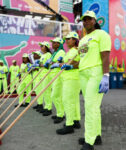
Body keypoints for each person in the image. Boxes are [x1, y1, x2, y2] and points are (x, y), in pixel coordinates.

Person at [78, 11, 111, 150]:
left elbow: (105, 56)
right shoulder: (83, 39)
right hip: (83, 73)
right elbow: (82, 57)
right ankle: (96, 135)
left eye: (88, 19)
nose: (86, 22)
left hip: (95, 73)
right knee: (93, 106)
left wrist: (106, 75)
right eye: (83, 20)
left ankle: (89, 141)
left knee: (90, 106)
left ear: (94, 20)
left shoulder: (101, 35)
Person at [51, 32, 81, 134]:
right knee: (74, 100)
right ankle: (76, 120)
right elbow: (67, 62)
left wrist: (58, 64)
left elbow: (69, 63)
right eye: (66, 39)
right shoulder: (71, 51)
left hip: (71, 78)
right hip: (71, 78)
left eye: (69, 39)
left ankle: (69, 125)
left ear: (75, 40)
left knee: (67, 100)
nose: (67, 41)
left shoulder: (74, 51)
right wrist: (60, 62)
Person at [46, 37, 65, 123]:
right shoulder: (55, 52)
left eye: (54, 43)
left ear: (59, 44)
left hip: (58, 75)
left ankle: (61, 114)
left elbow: (58, 63)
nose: (52, 44)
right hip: (54, 75)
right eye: (52, 42)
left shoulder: (61, 52)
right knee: (56, 95)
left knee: (56, 95)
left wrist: (52, 63)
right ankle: (59, 113)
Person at [33, 42, 52, 116]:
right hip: (41, 75)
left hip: (46, 75)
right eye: (40, 46)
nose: (40, 47)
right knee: (44, 92)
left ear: (46, 47)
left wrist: (40, 64)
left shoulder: (49, 55)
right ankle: (46, 106)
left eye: (42, 46)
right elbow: (41, 65)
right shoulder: (43, 55)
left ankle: (48, 108)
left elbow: (47, 65)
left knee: (47, 92)